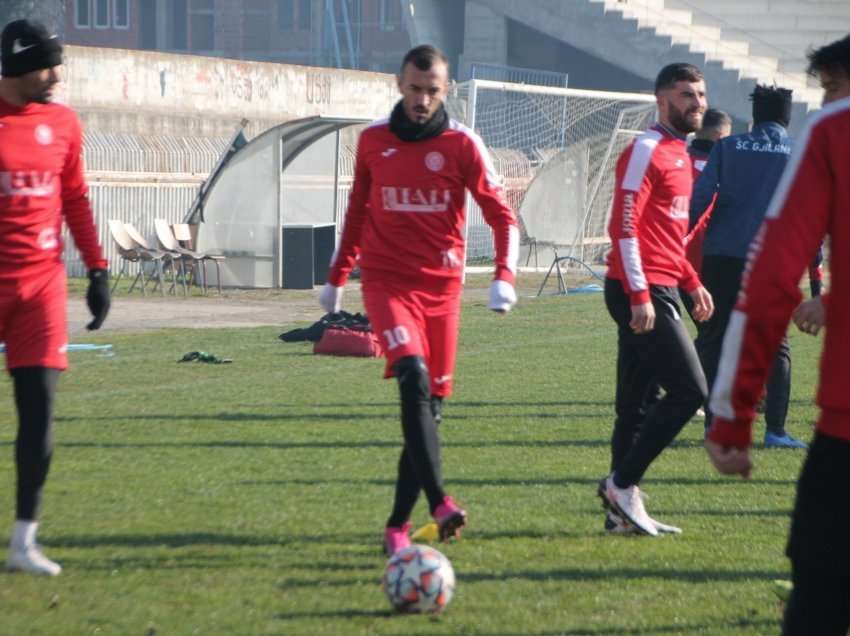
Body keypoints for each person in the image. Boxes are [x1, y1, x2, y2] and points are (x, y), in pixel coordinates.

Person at [318, 44, 518, 555]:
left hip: (443, 292)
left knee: (430, 412)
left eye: (432, 91)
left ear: (444, 90)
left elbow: (502, 215)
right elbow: (358, 211)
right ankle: (441, 501)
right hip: (387, 284)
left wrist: (503, 275)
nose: (422, 99)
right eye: (415, 89)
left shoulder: (462, 144)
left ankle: (395, 527)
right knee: (413, 376)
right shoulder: (371, 142)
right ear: (399, 84)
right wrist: (338, 274)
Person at [705, 34, 850, 635]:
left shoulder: (832, 133)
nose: (829, 101)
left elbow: (770, 279)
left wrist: (733, 414)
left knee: (818, 604)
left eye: (832, 89)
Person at [0, 20, 110, 576]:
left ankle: (24, 540)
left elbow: (75, 199)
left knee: (39, 416)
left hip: (40, 287)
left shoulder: (64, 123)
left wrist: (96, 270)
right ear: (21, 66)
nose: (57, 75)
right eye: (49, 64)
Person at [599, 63, 714, 537]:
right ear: (661, 99)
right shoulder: (645, 149)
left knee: (634, 408)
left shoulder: (681, 155)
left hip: (660, 283)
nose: (698, 103)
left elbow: (668, 236)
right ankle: (621, 484)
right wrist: (640, 293)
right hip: (637, 289)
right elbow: (623, 226)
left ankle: (617, 516)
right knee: (691, 392)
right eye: (687, 94)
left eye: (702, 94)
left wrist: (691, 281)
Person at [689, 85, 807, 449]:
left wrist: (680, 237)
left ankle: (713, 426)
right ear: (787, 117)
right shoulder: (799, 152)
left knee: (715, 339)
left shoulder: (727, 146)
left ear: (755, 116)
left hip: (723, 255)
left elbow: (701, 196)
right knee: (776, 345)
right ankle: (775, 431)